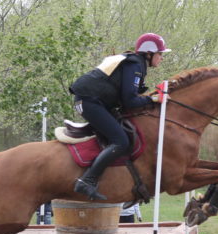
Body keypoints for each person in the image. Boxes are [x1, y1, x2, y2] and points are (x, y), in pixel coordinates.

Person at [69, 33, 171, 200]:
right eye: (160, 54)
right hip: (89, 102)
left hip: (93, 101)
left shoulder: (135, 63)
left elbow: (128, 95)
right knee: (121, 141)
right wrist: (154, 98)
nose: (161, 58)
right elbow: (129, 101)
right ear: (149, 53)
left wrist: (149, 96)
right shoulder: (135, 65)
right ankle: (87, 181)